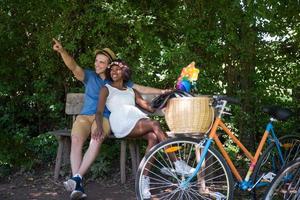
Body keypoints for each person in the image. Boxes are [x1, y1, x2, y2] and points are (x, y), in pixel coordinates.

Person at [52, 39, 170, 200]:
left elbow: (140, 88)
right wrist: (62, 51)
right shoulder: (89, 76)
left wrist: (162, 91)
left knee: (96, 137)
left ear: (109, 65)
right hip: (85, 116)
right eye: (96, 61)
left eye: (101, 62)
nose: (97, 64)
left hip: (105, 118)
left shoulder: (115, 79)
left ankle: (76, 179)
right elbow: (73, 66)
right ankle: (77, 181)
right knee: (76, 137)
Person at [94, 60, 195, 199]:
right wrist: (99, 127)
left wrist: (166, 98)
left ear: (124, 72)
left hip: (135, 120)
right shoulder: (106, 89)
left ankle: (143, 180)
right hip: (120, 121)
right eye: (111, 70)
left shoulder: (131, 91)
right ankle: (177, 163)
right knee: (154, 124)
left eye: (117, 69)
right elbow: (99, 111)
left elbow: (149, 107)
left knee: (153, 137)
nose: (114, 72)